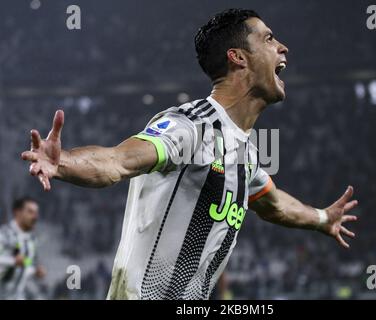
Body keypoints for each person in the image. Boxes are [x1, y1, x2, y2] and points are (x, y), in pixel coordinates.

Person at [21, 8, 358, 300]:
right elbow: (117, 161)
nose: (282, 47)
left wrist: (321, 219)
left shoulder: (248, 155)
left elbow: (275, 205)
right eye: (269, 39)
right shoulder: (190, 126)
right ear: (238, 56)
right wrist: (61, 163)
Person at [0, 197, 46, 299]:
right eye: (30, 212)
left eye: (36, 212)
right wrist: (12, 261)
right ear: (17, 212)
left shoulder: (31, 240)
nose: (35, 216)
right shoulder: (4, 234)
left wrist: (35, 270)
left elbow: (26, 263)